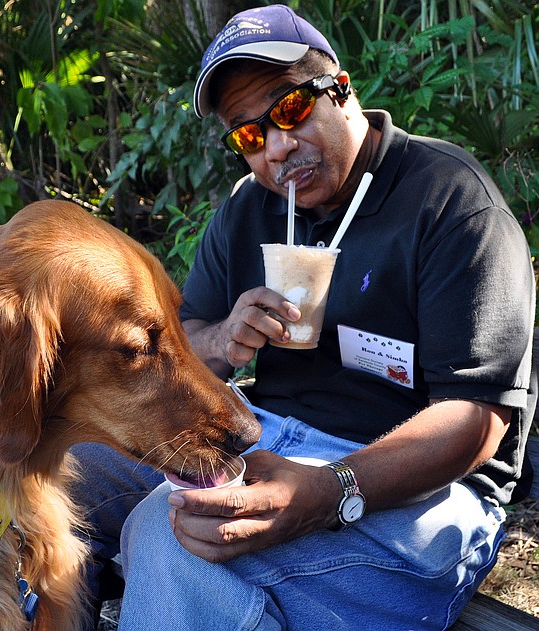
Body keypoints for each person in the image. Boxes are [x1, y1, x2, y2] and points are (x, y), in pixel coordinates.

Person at [72, 4, 536, 630]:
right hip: (270, 436)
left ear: (340, 89)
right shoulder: (248, 210)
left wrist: (323, 494)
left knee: (170, 532)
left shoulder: (448, 199)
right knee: (68, 470)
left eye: (290, 109)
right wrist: (223, 338)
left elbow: (477, 421)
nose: (279, 147)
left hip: (428, 492)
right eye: (250, 135)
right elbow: (183, 347)